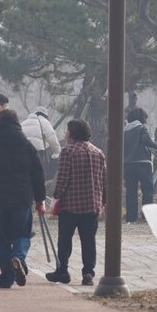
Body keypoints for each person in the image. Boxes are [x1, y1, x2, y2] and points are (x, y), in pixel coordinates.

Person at [0, 109, 46, 289]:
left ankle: (6, 277)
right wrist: (40, 199)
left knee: (3, 239)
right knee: (22, 234)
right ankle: (18, 257)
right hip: (22, 198)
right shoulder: (27, 145)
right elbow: (38, 174)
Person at [45, 119, 106, 286]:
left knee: (65, 239)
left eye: (67, 130)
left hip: (71, 205)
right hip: (92, 205)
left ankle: (62, 271)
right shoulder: (98, 152)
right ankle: (88, 273)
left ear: (72, 133)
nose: (65, 133)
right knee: (89, 240)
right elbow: (103, 180)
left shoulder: (68, 151)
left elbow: (63, 178)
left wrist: (56, 195)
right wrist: (104, 202)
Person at [123, 107, 157, 222]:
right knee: (147, 190)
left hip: (128, 164)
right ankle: (147, 217)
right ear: (141, 118)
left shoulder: (124, 131)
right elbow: (146, 140)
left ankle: (131, 218)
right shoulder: (142, 128)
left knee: (131, 192)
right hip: (143, 164)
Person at [21, 106, 62, 180]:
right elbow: (52, 137)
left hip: (23, 153)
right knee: (39, 174)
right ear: (45, 115)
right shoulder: (43, 121)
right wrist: (57, 152)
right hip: (37, 152)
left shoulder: (24, 123)